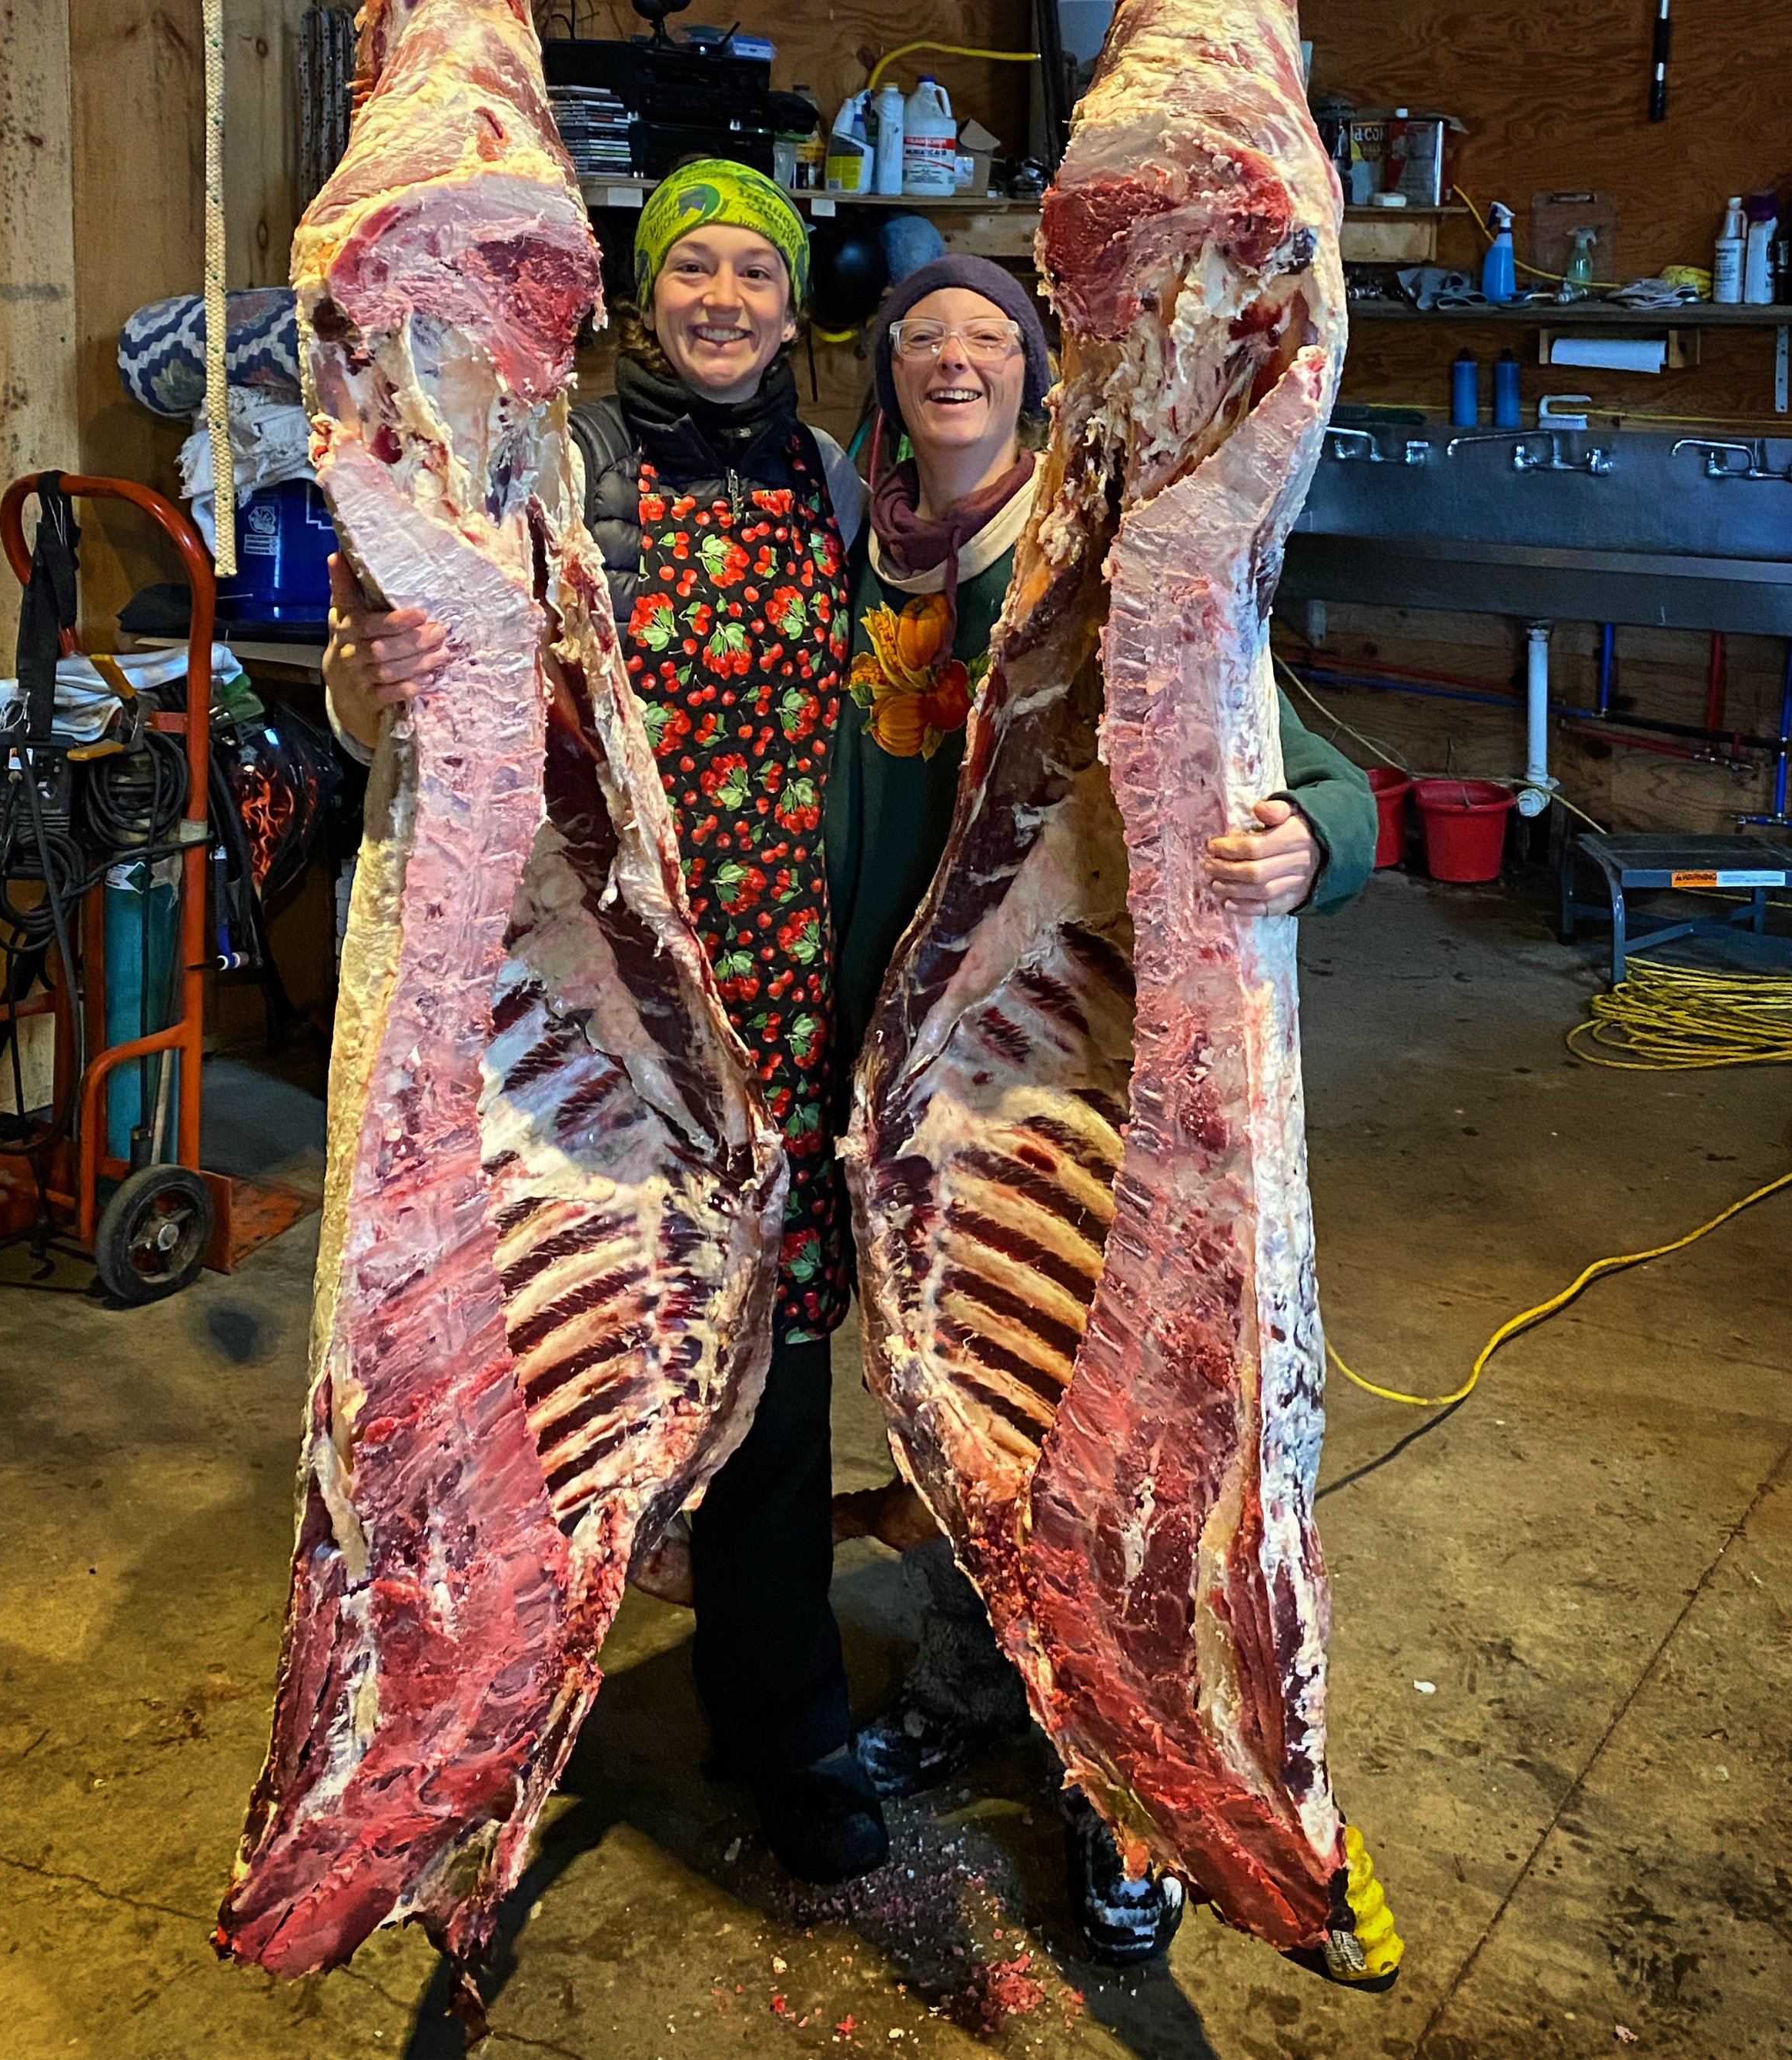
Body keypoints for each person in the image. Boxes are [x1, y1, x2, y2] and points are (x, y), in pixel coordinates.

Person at [323, 159, 887, 1886]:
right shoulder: (557, 471)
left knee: (778, 1376)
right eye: (693, 268)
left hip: (783, 985)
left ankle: (783, 1720)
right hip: (589, 995)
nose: (723, 297)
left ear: (795, 310)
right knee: (567, 1355)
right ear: (645, 296)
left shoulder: (836, 482)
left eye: (754, 273)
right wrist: (372, 685)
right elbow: (396, 700)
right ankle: (497, 1714)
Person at [824, 256, 1379, 1968]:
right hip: (891, 1074)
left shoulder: (1109, 570)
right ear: (886, 379)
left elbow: (1318, 770)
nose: (957, 360)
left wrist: (1316, 843)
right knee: (949, 1407)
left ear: (1034, 377)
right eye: (924, 337)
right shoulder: (837, 568)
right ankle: (958, 1677)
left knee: (1102, 1418)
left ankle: (1113, 1785)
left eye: (991, 334)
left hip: (1080, 1072)